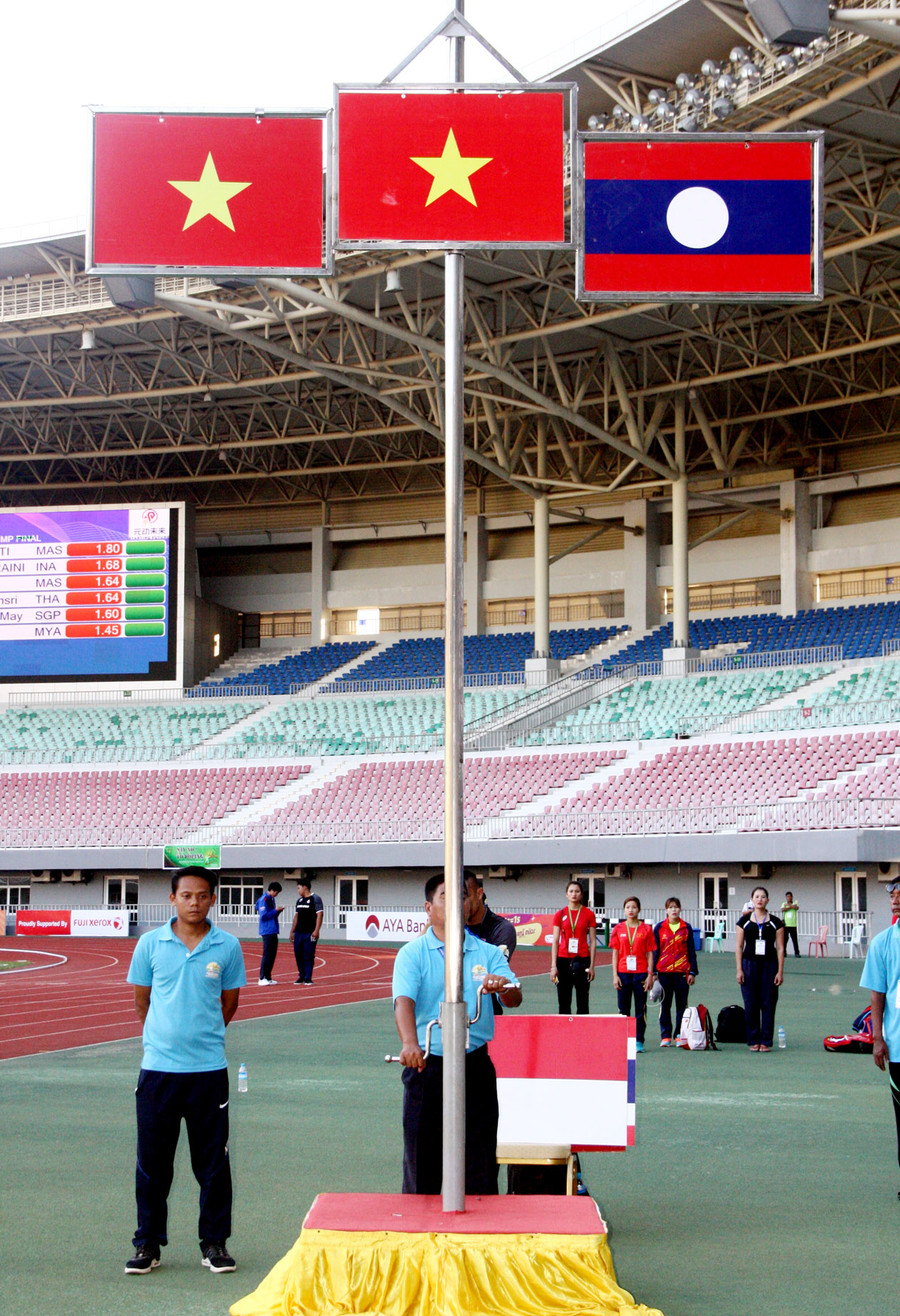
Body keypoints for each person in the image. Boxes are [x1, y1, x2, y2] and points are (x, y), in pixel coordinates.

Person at [125, 867, 246, 1276]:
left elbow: (229, 1004)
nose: (195, 902)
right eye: (187, 895)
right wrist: (165, 1040)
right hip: (158, 1071)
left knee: (213, 1163)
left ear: (212, 899)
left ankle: (214, 1243)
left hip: (208, 1072)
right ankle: (147, 1243)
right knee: (152, 1163)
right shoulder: (150, 944)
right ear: (173, 898)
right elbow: (142, 1002)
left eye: (203, 895)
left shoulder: (227, 946)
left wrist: (202, 1037)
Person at [392, 872, 522, 1195]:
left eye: (461, 896)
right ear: (428, 907)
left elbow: (514, 996)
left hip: (473, 1066)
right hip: (427, 1066)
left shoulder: (488, 953)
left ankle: (480, 1225)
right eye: (445, 896)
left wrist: (503, 986)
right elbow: (403, 1001)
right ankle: (420, 1226)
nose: (455, 902)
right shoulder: (412, 954)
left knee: (480, 1163)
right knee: (422, 1163)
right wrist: (409, 1043)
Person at [860, 878, 900, 1190]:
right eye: (892, 896)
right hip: (898, 1045)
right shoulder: (882, 943)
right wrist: (877, 1038)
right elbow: (877, 994)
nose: (895, 900)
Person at [735, 885, 785, 1051]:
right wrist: (739, 969)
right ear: (752, 900)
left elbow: (780, 948)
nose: (760, 900)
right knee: (751, 1002)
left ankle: (766, 1040)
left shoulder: (776, 923)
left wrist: (780, 971)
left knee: (768, 1003)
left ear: (767, 900)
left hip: (769, 966)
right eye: (756, 897)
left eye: (763, 897)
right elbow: (739, 946)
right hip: (749, 965)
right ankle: (753, 1039)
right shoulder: (743, 922)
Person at [464, 870, 516, 1014]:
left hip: (487, 1014)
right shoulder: (450, 928)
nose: (460, 904)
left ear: (479, 894)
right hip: (450, 1014)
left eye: (464, 897)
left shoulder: (502, 928)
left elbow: (496, 970)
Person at [610, 896, 656, 1053]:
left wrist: (650, 974)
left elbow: (650, 953)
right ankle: (623, 1040)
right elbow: (615, 953)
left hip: (641, 973)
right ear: (624, 910)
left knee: (640, 1009)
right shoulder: (618, 929)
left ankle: (639, 1041)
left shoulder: (646, 929)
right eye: (628, 907)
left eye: (634, 907)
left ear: (639, 909)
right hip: (623, 973)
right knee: (623, 1009)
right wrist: (615, 975)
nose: (631, 910)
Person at [653, 897, 698, 1047]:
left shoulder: (686, 928)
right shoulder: (659, 928)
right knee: (665, 1005)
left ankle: (679, 1034)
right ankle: (665, 1036)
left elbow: (691, 951)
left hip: (682, 973)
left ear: (680, 909)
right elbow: (655, 951)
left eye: (676, 907)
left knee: (681, 1006)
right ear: (666, 910)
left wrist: (692, 972)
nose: (673, 910)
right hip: (664, 973)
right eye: (670, 907)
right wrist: (653, 973)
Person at [550, 880, 597, 1015]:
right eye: (571, 891)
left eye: (577, 891)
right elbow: (555, 940)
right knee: (564, 1001)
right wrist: (553, 966)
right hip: (563, 960)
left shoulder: (589, 914)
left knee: (583, 1000)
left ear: (581, 894)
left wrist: (592, 966)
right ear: (566, 894)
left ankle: (582, 1027)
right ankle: (565, 1027)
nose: (574, 894)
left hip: (582, 959)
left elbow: (593, 941)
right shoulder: (560, 914)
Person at [290, 876, 323, 985]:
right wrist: (292, 931)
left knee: (308, 954)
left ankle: (308, 977)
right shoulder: (299, 901)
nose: (298, 890)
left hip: (309, 933)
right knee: (298, 954)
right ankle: (301, 976)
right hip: (298, 932)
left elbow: (320, 915)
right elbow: (296, 916)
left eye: (299, 888)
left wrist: (316, 930)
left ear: (305, 887)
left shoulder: (315, 899)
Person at [255, 881, 283, 985]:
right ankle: (262, 977)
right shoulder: (264, 900)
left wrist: (278, 911)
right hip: (267, 930)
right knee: (267, 954)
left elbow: (272, 914)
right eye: (276, 892)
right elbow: (264, 916)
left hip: (273, 929)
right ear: (271, 890)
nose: (276, 894)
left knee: (272, 954)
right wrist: (275, 911)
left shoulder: (271, 899)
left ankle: (268, 976)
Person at [781, 891, 801, 957]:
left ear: (792, 897)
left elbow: (796, 907)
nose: (788, 898)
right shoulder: (784, 903)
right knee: (785, 939)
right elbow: (783, 909)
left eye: (789, 896)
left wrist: (789, 906)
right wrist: (790, 907)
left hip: (793, 924)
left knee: (794, 940)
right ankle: (784, 952)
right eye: (787, 897)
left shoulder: (795, 903)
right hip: (786, 924)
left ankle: (797, 953)